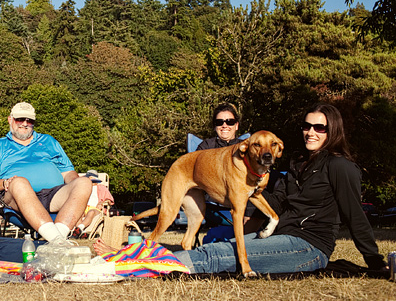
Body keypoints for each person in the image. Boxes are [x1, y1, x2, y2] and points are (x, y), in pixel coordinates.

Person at [96, 103, 387, 274]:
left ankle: (137, 265)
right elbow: (272, 198)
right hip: (280, 235)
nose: (311, 132)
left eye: (320, 128)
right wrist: (246, 193)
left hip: (309, 246)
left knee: (220, 254)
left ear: (333, 130)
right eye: (307, 126)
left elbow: (354, 215)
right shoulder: (298, 162)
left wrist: (374, 261)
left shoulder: (340, 167)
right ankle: (131, 256)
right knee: (222, 246)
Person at [0, 102, 91, 244]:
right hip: (15, 196)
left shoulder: (49, 141)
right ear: (10, 119)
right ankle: (58, 242)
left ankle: (57, 240)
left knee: (84, 182)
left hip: (53, 195)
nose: (25, 124)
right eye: (20, 119)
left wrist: (78, 193)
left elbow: (68, 173)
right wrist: (4, 182)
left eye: (30, 120)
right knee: (20, 182)